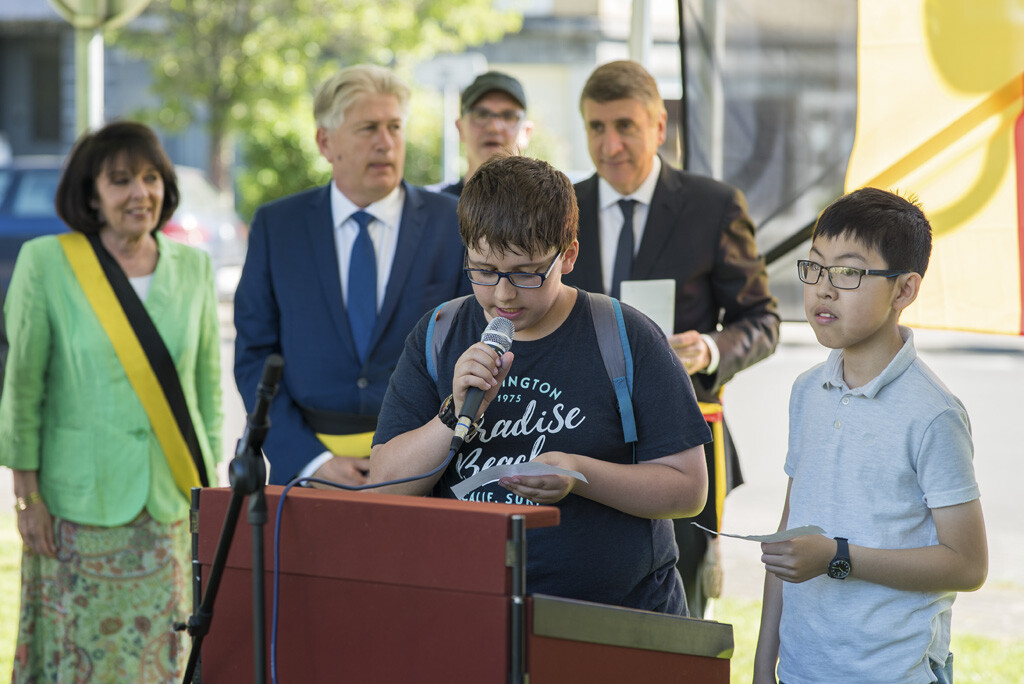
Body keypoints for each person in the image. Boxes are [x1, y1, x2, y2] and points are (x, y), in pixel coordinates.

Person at [369, 153, 710, 615]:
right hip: (470, 609)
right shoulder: (439, 333)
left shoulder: (624, 334)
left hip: (615, 615)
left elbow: (689, 490)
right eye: (484, 270)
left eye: (526, 273)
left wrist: (578, 474)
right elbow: (383, 488)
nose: (503, 294)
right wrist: (451, 415)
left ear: (568, 255)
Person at [0, 121, 223, 682]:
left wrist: (209, 491)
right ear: (92, 194)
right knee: (79, 660)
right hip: (74, 509)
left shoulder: (193, 267)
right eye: (120, 180)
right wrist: (27, 497)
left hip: (168, 506)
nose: (139, 193)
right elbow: (23, 388)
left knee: (163, 662)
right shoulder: (46, 262)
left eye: (150, 178)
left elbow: (206, 389)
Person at [563, 59, 781, 617]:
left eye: (625, 126)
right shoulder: (563, 207)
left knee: (674, 619)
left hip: (675, 447)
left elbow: (762, 320)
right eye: (596, 127)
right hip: (580, 438)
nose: (610, 144)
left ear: (659, 127)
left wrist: (709, 349)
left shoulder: (713, 206)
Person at [753, 188, 988, 684]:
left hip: (896, 673)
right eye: (815, 267)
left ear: (904, 290)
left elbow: (968, 565)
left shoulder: (934, 414)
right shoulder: (807, 390)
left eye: (848, 272)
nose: (823, 289)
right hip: (800, 670)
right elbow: (789, 533)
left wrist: (838, 558)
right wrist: (762, 664)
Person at [234, 64, 470, 487]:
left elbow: (471, 345)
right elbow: (254, 358)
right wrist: (311, 462)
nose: (386, 142)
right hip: (305, 479)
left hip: (426, 472)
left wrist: (414, 458)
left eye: (394, 127)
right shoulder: (278, 227)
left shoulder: (452, 224)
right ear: (325, 142)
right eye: (368, 128)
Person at [441, 71, 533, 197]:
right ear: (460, 128)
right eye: (481, 114)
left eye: (508, 116)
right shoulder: (434, 208)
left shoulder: (549, 207)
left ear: (526, 132)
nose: (494, 127)